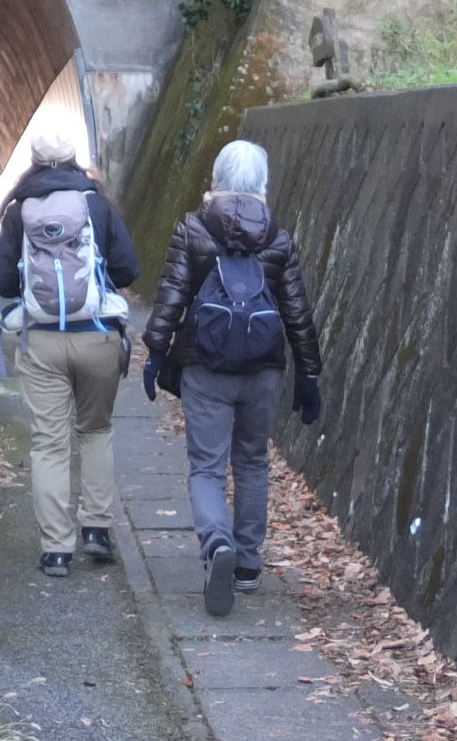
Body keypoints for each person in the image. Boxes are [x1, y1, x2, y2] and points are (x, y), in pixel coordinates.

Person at [138, 138, 323, 617]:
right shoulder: (276, 236)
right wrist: (309, 373)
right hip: (262, 370)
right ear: (262, 182)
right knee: (253, 463)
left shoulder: (194, 228)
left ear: (217, 177)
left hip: (206, 367)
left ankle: (216, 543)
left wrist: (156, 352)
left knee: (206, 466)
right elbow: (296, 310)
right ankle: (246, 564)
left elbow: (173, 295)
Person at [0, 128, 139, 578]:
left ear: (33, 163)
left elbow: (2, 278)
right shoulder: (95, 203)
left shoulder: (19, 210)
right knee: (95, 431)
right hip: (97, 337)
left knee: (48, 444)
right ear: (75, 159)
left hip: (43, 343)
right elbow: (129, 268)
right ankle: (96, 528)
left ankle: (56, 549)